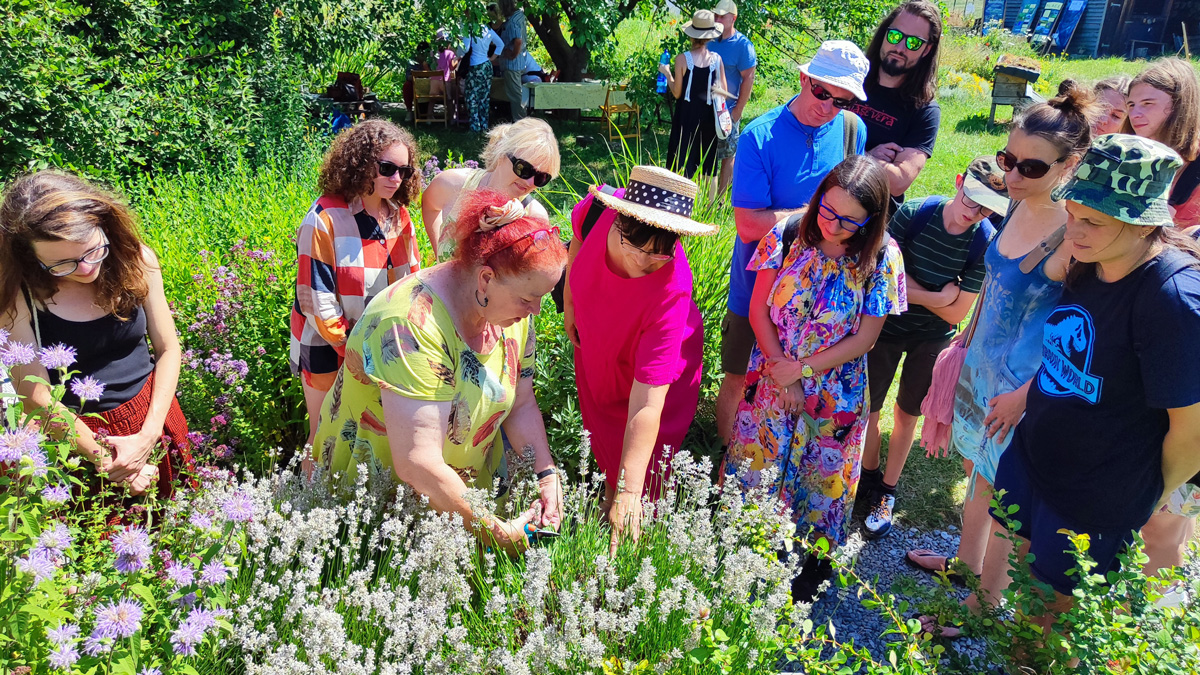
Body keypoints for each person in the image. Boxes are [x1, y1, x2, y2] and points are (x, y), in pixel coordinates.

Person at [982, 134, 1200, 635]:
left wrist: (1141, 497)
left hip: (1093, 497)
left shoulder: (1172, 299)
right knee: (1017, 585)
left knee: (1047, 627)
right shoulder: (1090, 258)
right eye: (1073, 212)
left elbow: (1191, 433)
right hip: (1036, 458)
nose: (1073, 230)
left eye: (1092, 221)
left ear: (1144, 221)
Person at [907, 87, 1095, 634]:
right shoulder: (1017, 204)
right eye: (1009, 159)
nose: (1010, 176)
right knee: (975, 480)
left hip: (1017, 390)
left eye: (1029, 166)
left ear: (1070, 164)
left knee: (1003, 504)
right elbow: (994, 283)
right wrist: (964, 337)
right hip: (979, 368)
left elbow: (1080, 333)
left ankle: (982, 609)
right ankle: (964, 568)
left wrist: (1029, 394)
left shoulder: (1072, 235)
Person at [312, 188, 566, 556]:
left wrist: (546, 474)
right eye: (529, 299)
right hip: (373, 515)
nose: (537, 310)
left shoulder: (510, 312)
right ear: (485, 279)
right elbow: (418, 463)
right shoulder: (410, 323)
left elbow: (521, 403)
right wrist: (494, 532)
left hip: (457, 509)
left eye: (544, 296)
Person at [722, 155, 906, 603]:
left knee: (822, 481)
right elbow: (758, 309)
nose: (831, 224)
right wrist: (784, 374)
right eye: (826, 209)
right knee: (758, 466)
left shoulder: (882, 256)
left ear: (871, 220)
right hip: (771, 377)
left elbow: (866, 337)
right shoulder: (787, 233)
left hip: (836, 393)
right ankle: (743, 553)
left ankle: (811, 567)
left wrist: (804, 371)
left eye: (848, 220)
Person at [0, 171, 193, 498]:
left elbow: (168, 348)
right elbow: (36, 395)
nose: (87, 269)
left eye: (93, 251)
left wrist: (146, 438)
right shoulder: (16, 294)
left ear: (104, 224)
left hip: (153, 418)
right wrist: (109, 462)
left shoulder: (136, 259)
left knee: (178, 528)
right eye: (62, 264)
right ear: (29, 256)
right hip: (73, 443)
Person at [714, 40, 869, 448]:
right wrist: (814, 214)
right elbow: (748, 225)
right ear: (804, 78)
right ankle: (726, 465)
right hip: (758, 287)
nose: (828, 106)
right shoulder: (759, 137)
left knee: (808, 383)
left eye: (841, 101)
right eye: (821, 92)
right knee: (740, 377)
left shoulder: (854, 132)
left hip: (824, 297)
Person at [564, 166, 716, 555]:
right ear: (619, 221)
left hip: (660, 372)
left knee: (641, 474)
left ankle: (628, 536)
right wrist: (569, 304)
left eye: (662, 251)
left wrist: (630, 491)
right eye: (638, 247)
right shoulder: (598, 210)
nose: (648, 261)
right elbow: (578, 238)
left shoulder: (672, 289)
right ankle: (612, 499)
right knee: (603, 429)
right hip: (599, 343)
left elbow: (647, 403)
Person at [860, 156, 1010, 539]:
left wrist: (922, 293)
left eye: (988, 210)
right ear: (958, 181)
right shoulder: (915, 213)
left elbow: (960, 308)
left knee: (908, 412)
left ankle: (887, 490)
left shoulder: (984, 242)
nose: (974, 214)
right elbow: (884, 276)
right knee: (869, 408)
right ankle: (868, 474)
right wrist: (936, 295)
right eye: (972, 200)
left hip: (933, 336)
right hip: (886, 325)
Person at [291, 120, 423, 457]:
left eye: (404, 171)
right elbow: (316, 302)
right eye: (387, 168)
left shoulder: (398, 215)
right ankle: (308, 505)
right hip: (327, 346)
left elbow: (412, 283)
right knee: (323, 437)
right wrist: (355, 351)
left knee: (371, 438)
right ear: (360, 163)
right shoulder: (323, 218)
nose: (396, 179)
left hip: (380, 349)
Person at [849, 0, 942, 211]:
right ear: (884, 34)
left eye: (913, 43)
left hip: (871, 217)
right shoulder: (850, 81)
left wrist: (841, 150)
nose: (900, 47)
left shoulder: (925, 110)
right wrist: (867, 157)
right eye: (895, 36)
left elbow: (898, 182)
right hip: (823, 201)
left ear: (926, 49)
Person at [421, 118, 559, 261]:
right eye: (523, 168)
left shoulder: (534, 217)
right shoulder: (452, 184)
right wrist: (439, 253)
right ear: (501, 154)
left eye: (541, 177)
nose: (530, 182)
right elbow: (430, 206)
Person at [1122, 58, 1200, 228]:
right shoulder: (1127, 155)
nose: (1134, 114)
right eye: (1131, 105)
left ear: (1178, 106)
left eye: (1147, 104)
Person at [659, 9, 728, 196]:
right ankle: (707, 208)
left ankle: (680, 201)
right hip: (708, 118)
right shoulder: (717, 59)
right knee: (708, 163)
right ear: (710, 36)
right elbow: (723, 91)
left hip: (686, 117)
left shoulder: (682, 59)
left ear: (691, 35)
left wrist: (666, 73)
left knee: (681, 159)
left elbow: (677, 92)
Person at [708, 0, 758, 198]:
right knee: (705, 153)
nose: (717, 19)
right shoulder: (708, 39)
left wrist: (737, 110)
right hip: (704, 107)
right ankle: (704, 197)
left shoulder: (742, 45)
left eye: (722, 16)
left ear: (733, 18)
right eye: (716, 16)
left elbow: (749, 78)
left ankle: (719, 201)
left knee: (727, 155)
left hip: (726, 109)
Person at [457, 22, 504, 132]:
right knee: (484, 97)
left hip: (475, 67)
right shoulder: (487, 29)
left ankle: (475, 127)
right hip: (487, 66)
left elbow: (466, 48)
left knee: (471, 97)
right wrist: (492, 58)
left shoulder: (471, 29)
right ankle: (484, 126)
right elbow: (500, 44)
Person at [496, 0, 529, 122]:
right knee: (515, 94)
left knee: (515, 95)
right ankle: (520, 121)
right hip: (516, 63)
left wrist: (513, 54)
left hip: (512, 64)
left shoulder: (513, 21)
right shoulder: (518, 17)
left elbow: (518, 41)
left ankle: (521, 122)